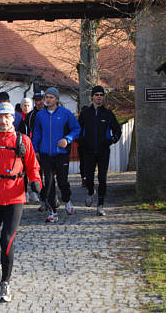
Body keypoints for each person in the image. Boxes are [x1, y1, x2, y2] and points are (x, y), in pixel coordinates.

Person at [0, 102, 42, 302]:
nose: (3, 121)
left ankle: (5, 284)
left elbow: (32, 166)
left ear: (13, 118)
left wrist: (36, 182)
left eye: (7, 117)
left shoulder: (23, 141)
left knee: (8, 240)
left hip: (14, 198)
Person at [32, 87, 81, 223]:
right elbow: (36, 134)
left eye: (51, 97)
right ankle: (53, 211)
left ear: (57, 99)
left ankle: (67, 200)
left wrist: (67, 139)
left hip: (61, 154)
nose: (48, 100)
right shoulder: (40, 115)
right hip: (45, 154)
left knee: (62, 181)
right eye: (46, 97)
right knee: (48, 182)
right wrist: (35, 150)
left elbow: (76, 129)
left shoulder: (65, 113)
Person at [78, 85, 122, 216]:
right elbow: (78, 130)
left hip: (103, 151)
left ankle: (101, 205)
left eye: (101, 95)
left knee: (102, 178)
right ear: (92, 97)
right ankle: (91, 192)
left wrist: (112, 139)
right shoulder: (85, 113)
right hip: (88, 151)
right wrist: (82, 142)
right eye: (96, 95)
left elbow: (117, 130)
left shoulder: (108, 114)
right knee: (89, 178)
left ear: (103, 97)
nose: (99, 97)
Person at [25, 91, 46, 205]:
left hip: (48, 148)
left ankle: (51, 196)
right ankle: (42, 198)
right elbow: (27, 133)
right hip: (35, 149)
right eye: (36, 100)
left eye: (40, 100)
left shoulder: (49, 112)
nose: (38, 102)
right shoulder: (30, 115)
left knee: (49, 175)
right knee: (39, 174)